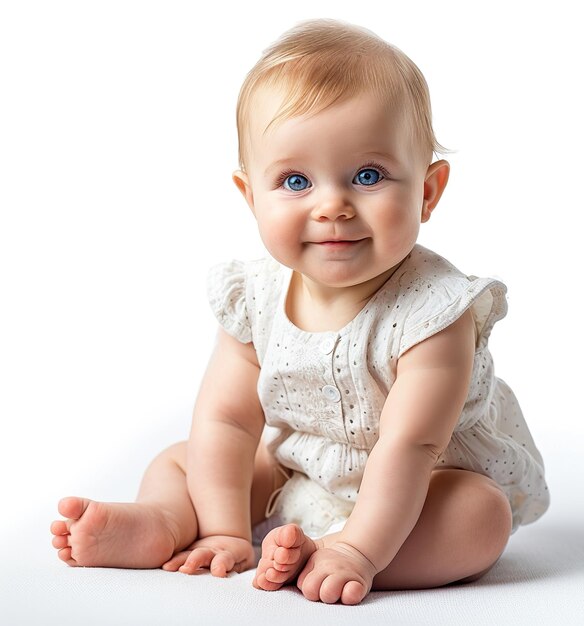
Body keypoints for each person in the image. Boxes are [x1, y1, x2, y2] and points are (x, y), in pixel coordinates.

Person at [50, 18, 549, 605]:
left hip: (422, 488)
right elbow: (229, 420)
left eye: (368, 176)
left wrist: (357, 548)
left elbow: (409, 447)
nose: (332, 205)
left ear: (427, 192)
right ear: (250, 197)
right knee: (184, 459)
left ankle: (334, 555)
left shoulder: (435, 313)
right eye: (295, 180)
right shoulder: (255, 295)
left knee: (478, 519)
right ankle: (166, 521)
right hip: (301, 475)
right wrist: (224, 526)